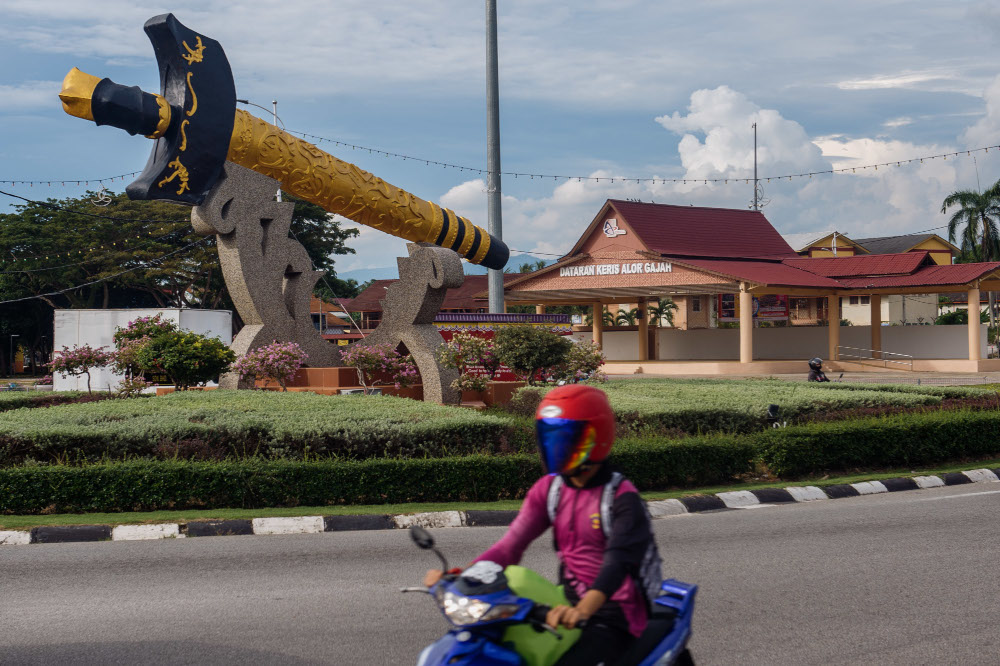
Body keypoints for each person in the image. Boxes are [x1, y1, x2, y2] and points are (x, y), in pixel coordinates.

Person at [423, 385, 658, 666]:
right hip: (566, 602)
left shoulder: (622, 500)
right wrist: (467, 578)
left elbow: (617, 564)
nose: (557, 447)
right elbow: (510, 546)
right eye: (550, 437)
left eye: (567, 438)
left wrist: (584, 610)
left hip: (614, 612)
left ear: (597, 437)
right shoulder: (550, 490)